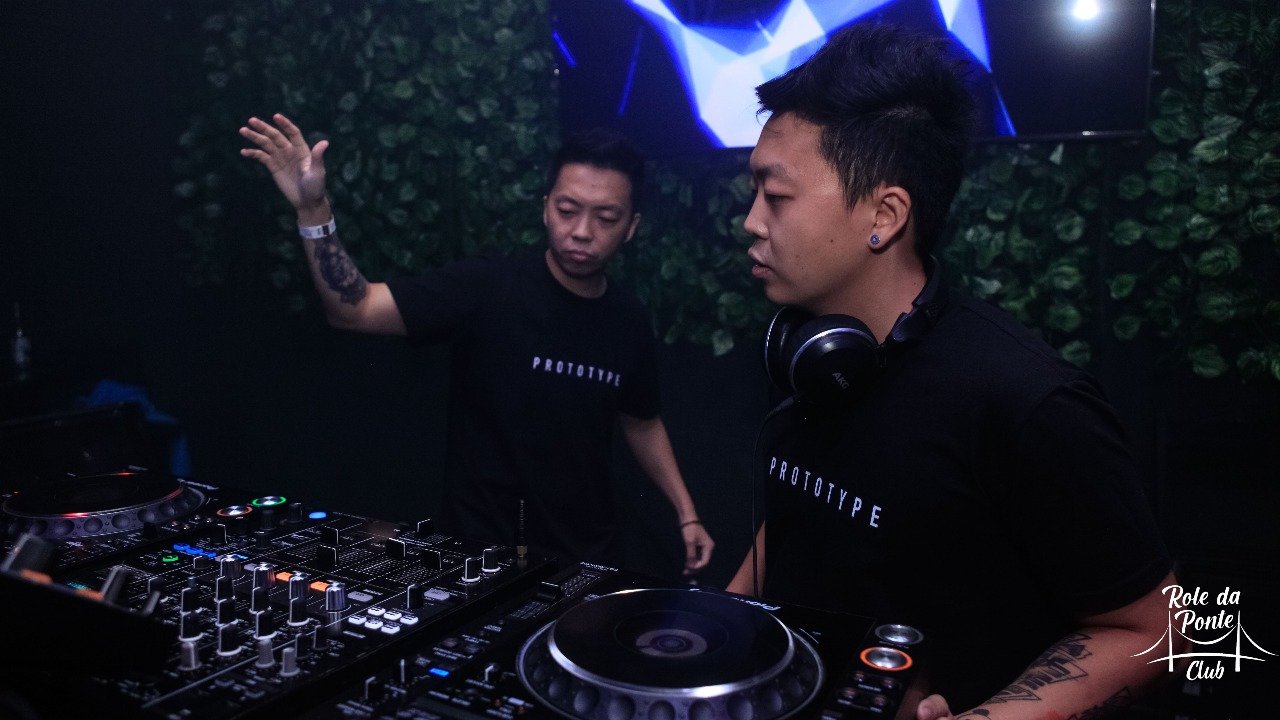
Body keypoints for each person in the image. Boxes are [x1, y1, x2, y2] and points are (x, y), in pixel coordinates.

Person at [725, 23, 1177, 719]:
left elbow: (1156, 630)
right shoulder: (810, 357)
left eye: (776, 196)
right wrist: (720, 632)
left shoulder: (1025, 399)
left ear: (885, 215)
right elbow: (798, 513)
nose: (751, 222)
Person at [238, 115, 714, 575]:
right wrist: (313, 211)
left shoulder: (628, 319)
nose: (582, 231)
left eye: (606, 217)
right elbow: (354, 308)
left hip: (585, 558)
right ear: (545, 207)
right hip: (478, 555)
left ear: (631, 226)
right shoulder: (488, 288)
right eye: (568, 210)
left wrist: (687, 513)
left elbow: (641, 419)